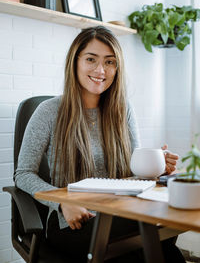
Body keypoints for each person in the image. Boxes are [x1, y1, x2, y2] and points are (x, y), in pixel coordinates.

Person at [15, 26, 185, 262]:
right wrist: (63, 203)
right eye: (91, 59)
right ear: (75, 62)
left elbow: (130, 170)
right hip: (73, 221)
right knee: (151, 242)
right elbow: (23, 174)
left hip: (118, 212)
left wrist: (156, 168)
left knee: (163, 240)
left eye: (109, 62)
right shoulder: (49, 111)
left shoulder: (123, 109)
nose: (100, 70)